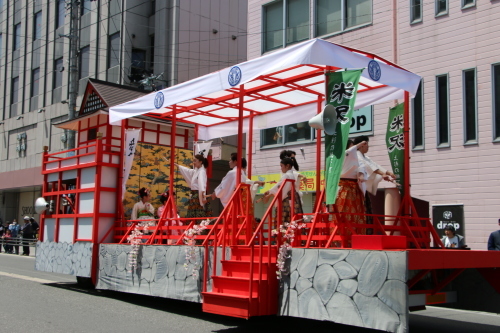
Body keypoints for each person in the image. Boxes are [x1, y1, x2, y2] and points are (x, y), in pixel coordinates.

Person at [264, 157, 303, 223]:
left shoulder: (286, 175)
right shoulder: (292, 175)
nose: (281, 168)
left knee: (282, 222)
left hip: (286, 201)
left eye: (281, 166)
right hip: (293, 200)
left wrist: (269, 191)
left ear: (287, 166)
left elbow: (279, 186)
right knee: (292, 221)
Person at [175, 154, 212, 218]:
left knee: (198, 214)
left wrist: (203, 197)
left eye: (195, 161)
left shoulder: (201, 171)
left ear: (200, 162)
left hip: (199, 195)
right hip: (196, 195)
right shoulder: (197, 171)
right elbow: (188, 171)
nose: (193, 162)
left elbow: (202, 184)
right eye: (193, 161)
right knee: (194, 214)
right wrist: (178, 165)